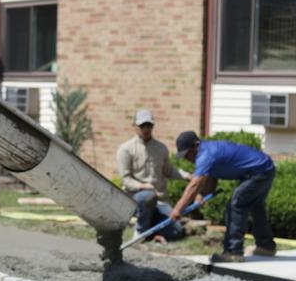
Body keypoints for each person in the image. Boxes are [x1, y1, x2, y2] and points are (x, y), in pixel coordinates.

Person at [170, 131, 276, 263]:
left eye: (188, 154)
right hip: (264, 168)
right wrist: (202, 195)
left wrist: (178, 209)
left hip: (258, 172)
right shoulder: (207, 150)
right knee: (255, 206)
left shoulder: (205, 154)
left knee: (236, 204)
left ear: (196, 145)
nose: (187, 158)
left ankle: (233, 252)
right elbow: (211, 177)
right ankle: (266, 246)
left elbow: (194, 185)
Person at [117, 109, 189, 242]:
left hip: (160, 201)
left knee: (177, 231)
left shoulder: (161, 148)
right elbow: (125, 179)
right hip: (136, 199)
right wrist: (141, 186)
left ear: (153, 126)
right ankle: (140, 231)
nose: (146, 129)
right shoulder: (126, 149)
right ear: (135, 126)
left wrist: (188, 176)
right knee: (148, 195)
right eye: (142, 126)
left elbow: (169, 171)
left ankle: (151, 232)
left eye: (149, 125)